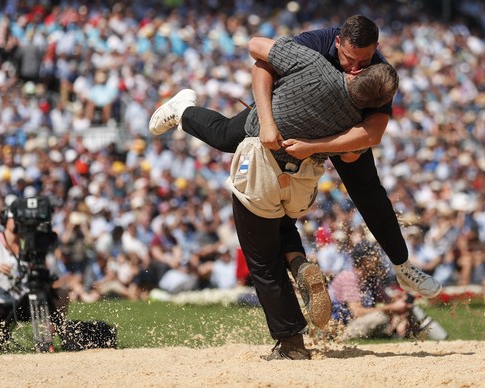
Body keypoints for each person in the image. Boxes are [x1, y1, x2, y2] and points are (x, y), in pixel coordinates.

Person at [149, 15, 442, 301]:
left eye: (362, 62)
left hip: (339, 137)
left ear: (375, 50)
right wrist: (266, 121)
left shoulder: (378, 72)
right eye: (349, 59)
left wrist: (313, 146)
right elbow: (259, 56)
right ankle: (183, 110)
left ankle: (403, 266)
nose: (354, 69)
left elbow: (372, 133)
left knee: (369, 193)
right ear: (338, 42)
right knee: (226, 137)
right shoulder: (317, 42)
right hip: (287, 116)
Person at [151, 35, 399, 360]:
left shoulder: (313, 66)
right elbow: (356, 152)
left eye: (360, 65)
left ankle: (292, 344)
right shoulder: (358, 120)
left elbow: (258, 55)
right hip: (304, 176)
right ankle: (297, 261)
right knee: (282, 227)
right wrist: (317, 146)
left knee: (262, 260)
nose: (354, 67)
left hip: (261, 156)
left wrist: (267, 120)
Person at [0, 201, 68, 355]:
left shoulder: (29, 245)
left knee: (61, 295)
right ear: (6, 220)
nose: (20, 222)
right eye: (16, 218)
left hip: (21, 298)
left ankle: (46, 342)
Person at [329, 241, 448, 341]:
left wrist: (402, 301)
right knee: (380, 317)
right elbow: (357, 312)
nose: (379, 260)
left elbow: (389, 300)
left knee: (399, 309)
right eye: (375, 256)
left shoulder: (371, 278)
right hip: (342, 327)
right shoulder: (349, 277)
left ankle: (403, 331)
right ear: (365, 260)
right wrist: (392, 308)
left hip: (358, 323)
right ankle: (396, 331)